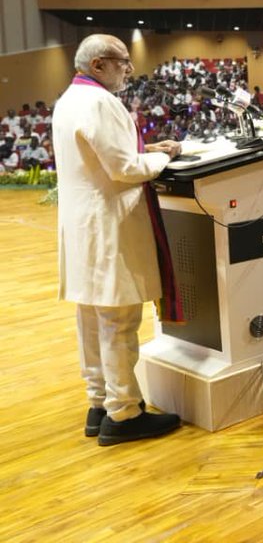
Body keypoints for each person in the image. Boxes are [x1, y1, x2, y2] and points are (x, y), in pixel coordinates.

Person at [53, 34, 183, 446]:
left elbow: (106, 156)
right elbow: (124, 168)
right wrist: (166, 156)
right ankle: (124, 413)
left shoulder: (68, 99)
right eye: (122, 61)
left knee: (92, 317)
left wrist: (149, 148)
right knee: (119, 320)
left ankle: (99, 403)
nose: (129, 68)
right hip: (107, 225)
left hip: (83, 226)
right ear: (98, 65)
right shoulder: (99, 102)